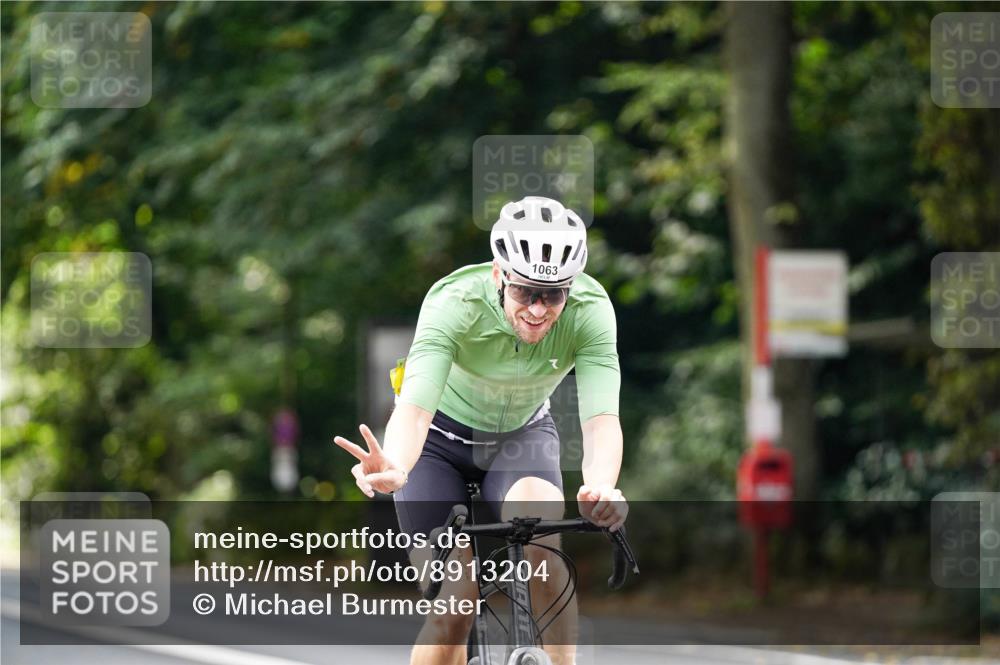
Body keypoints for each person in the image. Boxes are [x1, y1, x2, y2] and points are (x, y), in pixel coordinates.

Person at [334, 196, 627, 665]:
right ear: (499, 275)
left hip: (521, 438)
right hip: (435, 445)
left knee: (544, 557)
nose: (537, 309)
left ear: (570, 288)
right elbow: (414, 410)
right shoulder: (453, 302)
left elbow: (600, 419)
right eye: (525, 292)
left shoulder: (590, 310)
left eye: (552, 295)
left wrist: (600, 484)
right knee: (456, 602)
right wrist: (396, 466)